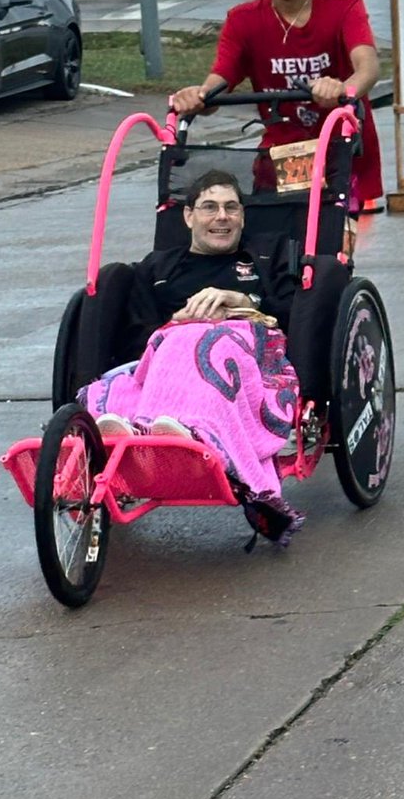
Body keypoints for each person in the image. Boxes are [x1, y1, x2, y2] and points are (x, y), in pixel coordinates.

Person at [84, 169, 304, 546]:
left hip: (248, 352)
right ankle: (143, 430)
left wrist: (245, 302)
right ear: (188, 216)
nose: (222, 217)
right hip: (166, 354)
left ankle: (195, 432)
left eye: (232, 208)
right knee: (179, 340)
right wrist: (178, 323)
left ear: (243, 217)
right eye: (209, 207)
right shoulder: (157, 269)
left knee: (209, 340)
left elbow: (295, 314)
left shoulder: (267, 256)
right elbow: (138, 337)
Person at [171, 0, 383, 244]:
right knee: (276, 255)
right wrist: (198, 96)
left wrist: (343, 88)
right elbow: (222, 77)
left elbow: (368, 66)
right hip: (282, 158)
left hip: (340, 154)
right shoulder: (243, 20)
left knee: (329, 254)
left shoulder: (344, 5)